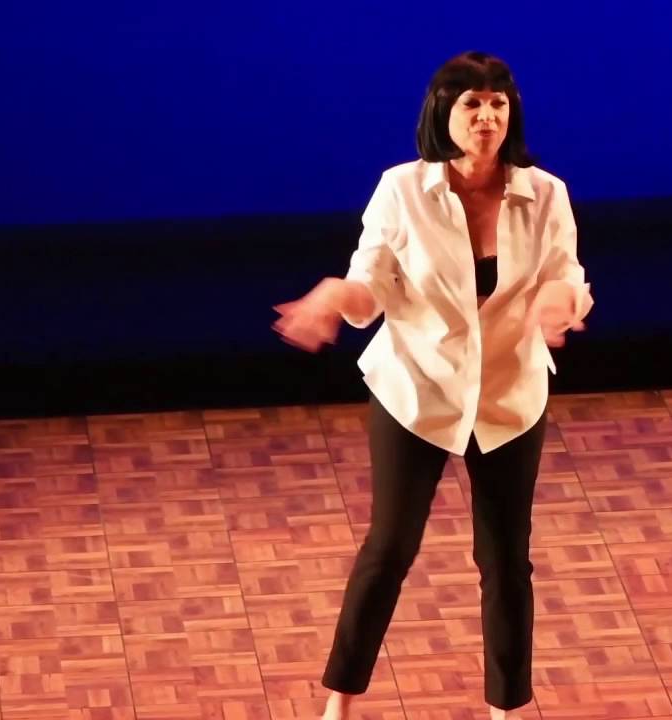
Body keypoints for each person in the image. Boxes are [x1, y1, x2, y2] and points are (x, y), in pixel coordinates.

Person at [272, 51, 593, 720]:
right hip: (416, 388)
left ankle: (506, 709)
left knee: (505, 560)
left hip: (508, 393)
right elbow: (371, 282)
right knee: (389, 547)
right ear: (443, 112)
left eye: (498, 103)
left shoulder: (546, 193)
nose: (487, 117)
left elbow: (565, 274)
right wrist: (334, 296)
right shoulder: (402, 190)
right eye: (472, 104)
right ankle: (339, 703)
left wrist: (560, 302)